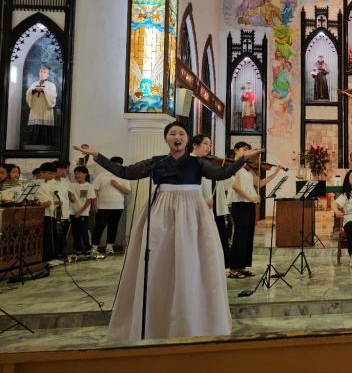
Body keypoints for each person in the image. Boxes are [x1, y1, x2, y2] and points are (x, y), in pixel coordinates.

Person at [74, 122, 260, 342]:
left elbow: (222, 174)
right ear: (166, 138)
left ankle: (191, 316)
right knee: (158, 260)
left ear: (187, 139)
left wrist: (242, 159)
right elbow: (126, 172)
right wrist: (97, 155)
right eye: (172, 133)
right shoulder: (157, 161)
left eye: (181, 133)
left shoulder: (198, 162)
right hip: (160, 214)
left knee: (191, 261)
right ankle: (156, 318)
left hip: (192, 214)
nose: (177, 137)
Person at [227, 142, 282, 279]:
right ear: (236, 150)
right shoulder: (235, 166)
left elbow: (260, 183)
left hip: (249, 204)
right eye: (244, 149)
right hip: (240, 204)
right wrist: (251, 197)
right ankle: (233, 269)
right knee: (239, 236)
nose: (247, 151)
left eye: (248, 150)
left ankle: (242, 267)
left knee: (248, 236)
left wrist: (275, 173)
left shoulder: (248, 168)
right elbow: (235, 186)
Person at [189, 135, 230, 268]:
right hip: (200, 205)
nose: (209, 147)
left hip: (214, 204)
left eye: (210, 145)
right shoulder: (189, 162)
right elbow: (189, 188)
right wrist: (202, 201)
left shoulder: (208, 163)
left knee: (217, 239)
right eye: (206, 144)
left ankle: (216, 267)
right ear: (195, 145)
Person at [91, 156, 131, 257]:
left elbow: (127, 192)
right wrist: (95, 204)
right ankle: (94, 247)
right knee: (99, 226)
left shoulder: (124, 176)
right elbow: (94, 190)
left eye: (118, 165)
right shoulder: (102, 176)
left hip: (117, 206)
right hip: (102, 207)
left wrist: (116, 184)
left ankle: (109, 247)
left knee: (113, 227)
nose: (116, 167)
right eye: (114, 165)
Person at [25, 66, 58, 147]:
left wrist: (44, 90)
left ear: (48, 75)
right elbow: (28, 93)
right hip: (36, 108)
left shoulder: (51, 85)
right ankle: (34, 141)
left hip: (46, 108)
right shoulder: (34, 84)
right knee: (35, 126)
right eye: (41, 72)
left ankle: (46, 142)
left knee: (45, 126)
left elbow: (53, 95)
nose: (42, 74)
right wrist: (34, 90)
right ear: (38, 73)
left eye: (44, 72)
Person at [68, 166, 95, 255]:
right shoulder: (72, 185)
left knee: (84, 232)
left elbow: (88, 201)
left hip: (83, 214)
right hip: (73, 213)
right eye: (75, 173)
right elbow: (70, 194)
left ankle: (88, 248)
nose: (76, 175)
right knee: (75, 232)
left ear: (85, 174)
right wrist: (71, 197)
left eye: (79, 173)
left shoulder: (89, 186)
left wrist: (80, 212)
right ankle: (78, 249)